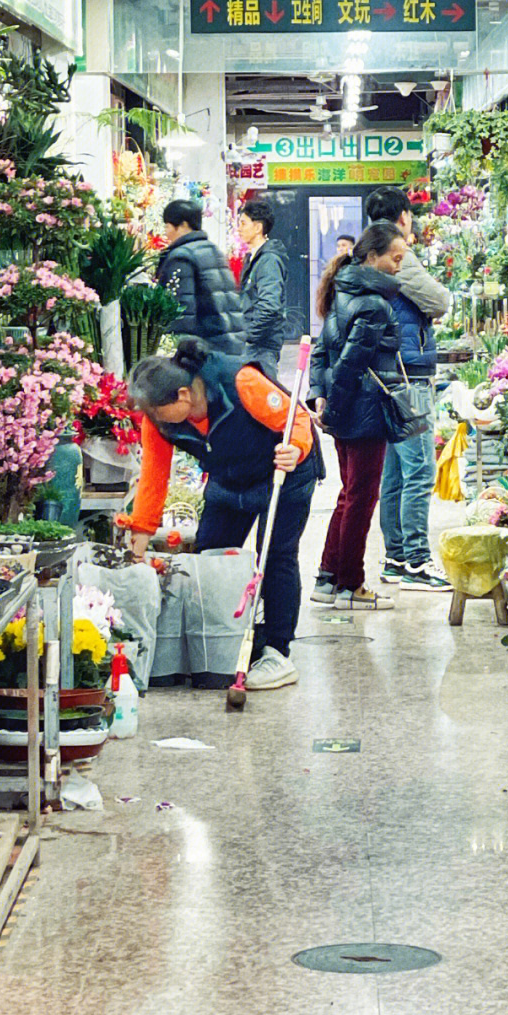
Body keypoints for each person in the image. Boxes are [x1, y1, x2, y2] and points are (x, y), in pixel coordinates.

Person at [128, 337, 323, 691]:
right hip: (228, 479)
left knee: (275, 555)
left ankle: (278, 653)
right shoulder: (159, 420)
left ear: (184, 397)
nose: (152, 420)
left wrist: (295, 449)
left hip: (282, 472)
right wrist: (138, 543)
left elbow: (297, 419)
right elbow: (153, 479)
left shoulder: (240, 382)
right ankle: (220, 643)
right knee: (209, 557)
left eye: (156, 412)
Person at [307, 221, 407, 611]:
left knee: (348, 495)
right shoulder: (373, 302)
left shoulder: (342, 292)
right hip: (362, 410)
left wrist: (321, 396)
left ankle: (328, 577)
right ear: (372, 258)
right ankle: (351, 584)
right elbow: (350, 363)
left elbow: (321, 352)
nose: (399, 267)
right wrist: (333, 407)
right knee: (362, 497)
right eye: (395, 259)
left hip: (344, 406)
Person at [365, 186, 452, 592]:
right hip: (407, 371)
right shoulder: (400, 255)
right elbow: (438, 301)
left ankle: (395, 558)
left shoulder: (368, 253)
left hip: (387, 371)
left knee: (395, 471)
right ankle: (416, 560)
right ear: (402, 218)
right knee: (419, 470)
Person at [156, 199, 247, 358]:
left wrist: (179, 355)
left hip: (205, 354)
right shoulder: (214, 250)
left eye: (167, 225)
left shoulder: (181, 258)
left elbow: (180, 314)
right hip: (230, 347)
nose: (166, 232)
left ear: (183, 225)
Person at [237, 198, 286, 378]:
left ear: (258, 228)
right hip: (254, 345)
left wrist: (248, 336)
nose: (239, 228)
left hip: (261, 348)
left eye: (243, 223)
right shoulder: (254, 258)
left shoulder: (268, 260)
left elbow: (269, 305)